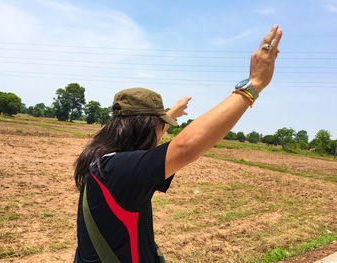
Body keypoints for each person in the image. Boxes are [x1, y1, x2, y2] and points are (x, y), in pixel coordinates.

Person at [73, 24, 282, 263]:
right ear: (143, 128)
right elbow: (186, 146)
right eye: (159, 126)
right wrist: (253, 85)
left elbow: (151, 143)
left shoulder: (102, 163)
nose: (161, 132)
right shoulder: (120, 171)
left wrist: (169, 116)